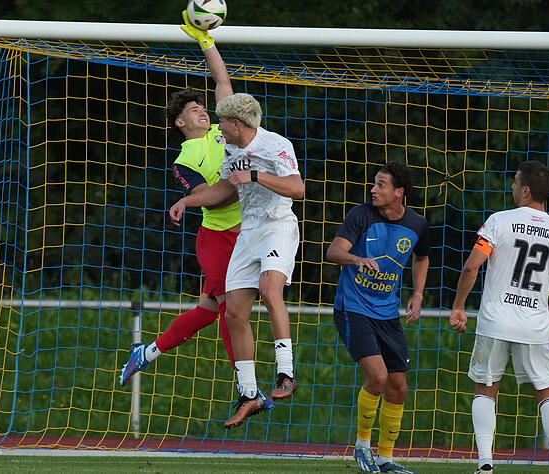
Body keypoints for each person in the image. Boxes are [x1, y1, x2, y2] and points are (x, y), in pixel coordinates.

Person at [170, 92, 305, 429]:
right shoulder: (230, 149)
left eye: (223, 125)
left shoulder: (274, 144)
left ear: (235, 123)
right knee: (232, 312)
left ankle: (286, 373)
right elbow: (224, 191)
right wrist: (186, 202)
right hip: (249, 232)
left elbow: (297, 188)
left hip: (277, 226)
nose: (219, 132)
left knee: (270, 289)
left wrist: (256, 176)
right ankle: (248, 393)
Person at [119, 11, 239, 386]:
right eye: (193, 110)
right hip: (218, 239)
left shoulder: (223, 131)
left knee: (207, 308)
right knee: (230, 309)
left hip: (248, 233)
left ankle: (147, 352)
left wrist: (207, 41)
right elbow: (206, 198)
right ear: (180, 123)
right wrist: (236, 184)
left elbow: (222, 80)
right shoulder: (185, 159)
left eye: (203, 107)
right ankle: (245, 385)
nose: (203, 111)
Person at [449, 161, 549, 474]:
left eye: (515, 183)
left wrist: (459, 306)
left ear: (526, 190)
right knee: (547, 394)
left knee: (487, 389)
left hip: (495, 322)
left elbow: (472, 266)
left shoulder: (499, 222)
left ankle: (485, 463)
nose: (512, 187)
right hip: (535, 325)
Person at [325, 161, 429, 474]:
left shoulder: (417, 224)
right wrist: (356, 258)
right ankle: (362, 447)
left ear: (399, 193)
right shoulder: (361, 215)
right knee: (379, 378)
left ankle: (385, 458)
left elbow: (421, 257)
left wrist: (418, 294)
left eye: (381, 185)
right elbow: (333, 252)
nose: (373, 189)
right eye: (374, 183)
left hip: (387, 312)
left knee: (398, 386)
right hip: (353, 308)